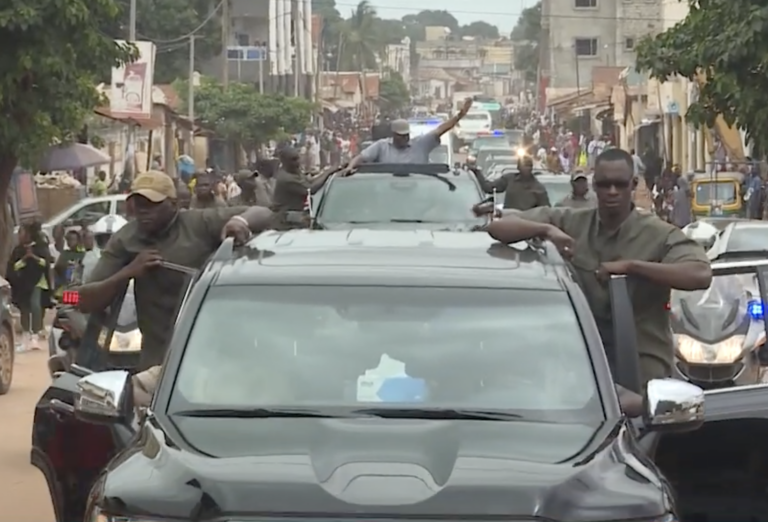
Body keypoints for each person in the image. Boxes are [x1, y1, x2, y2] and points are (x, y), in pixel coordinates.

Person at [483, 148, 712, 386]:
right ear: (594, 185)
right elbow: (499, 227)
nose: (612, 191)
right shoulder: (572, 222)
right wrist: (546, 230)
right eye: (604, 184)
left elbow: (700, 274)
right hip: (580, 361)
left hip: (641, 363)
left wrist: (632, 268)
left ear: (632, 184)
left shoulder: (659, 234)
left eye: (619, 184)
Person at [78, 170, 274, 370]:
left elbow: (263, 212)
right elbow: (83, 300)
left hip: (209, 350)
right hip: (158, 359)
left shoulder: (198, 223)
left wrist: (240, 221)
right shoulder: (124, 239)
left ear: (174, 205)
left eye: (153, 204)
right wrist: (129, 272)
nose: (143, 211)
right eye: (138, 204)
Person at [342, 98, 474, 170]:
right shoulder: (382, 147)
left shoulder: (420, 145)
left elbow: (441, 130)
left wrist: (460, 115)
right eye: (401, 135)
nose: (405, 138)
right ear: (394, 135)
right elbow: (362, 157)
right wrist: (350, 167)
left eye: (406, 135)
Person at [7, 222, 53, 349]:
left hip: (38, 281)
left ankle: (35, 335)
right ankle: (26, 336)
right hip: (22, 283)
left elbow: (46, 263)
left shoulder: (39, 247)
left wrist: (34, 257)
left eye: (21, 233)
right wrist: (25, 259)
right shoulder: (18, 250)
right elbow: (13, 266)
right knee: (24, 309)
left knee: (35, 305)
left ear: (28, 234)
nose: (19, 236)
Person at [271, 147, 334, 217]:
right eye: (293, 160)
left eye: (298, 158)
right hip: (285, 216)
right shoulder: (286, 178)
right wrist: (328, 173)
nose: (298, 162)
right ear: (284, 161)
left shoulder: (294, 171)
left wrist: (329, 172)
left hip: (295, 213)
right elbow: (310, 189)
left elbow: (310, 181)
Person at [472, 155, 551, 211]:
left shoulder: (539, 189)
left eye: (529, 165)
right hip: (508, 223)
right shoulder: (509, 179)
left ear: (532, 168)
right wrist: (477, 172)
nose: (527, 168)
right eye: (524, 165)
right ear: (518, 167)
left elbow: (546, 211)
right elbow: (488, 188)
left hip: (528, 226)